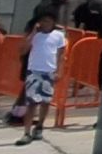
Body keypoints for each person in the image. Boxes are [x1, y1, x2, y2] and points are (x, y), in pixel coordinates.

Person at [15, 10, 66, 146]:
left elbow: (61, 55)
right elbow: (23, 50)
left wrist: (59, 71)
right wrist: (33, 33)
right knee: (31, 102)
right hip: (34, 71)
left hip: (49, 71)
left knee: (45, 101)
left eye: (48, 21)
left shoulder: (58, 36)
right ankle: (26, 132)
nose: (45, 24)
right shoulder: (35, 35)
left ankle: (40, 126)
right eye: (42, 21)